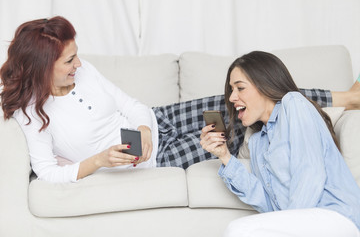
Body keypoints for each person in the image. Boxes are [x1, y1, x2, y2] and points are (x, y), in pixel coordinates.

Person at [1, 16, 359, 184]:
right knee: (235, 130)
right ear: (42, 66)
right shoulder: (30, 115)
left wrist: (144, 126)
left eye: (77, 55)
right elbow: (47, 173)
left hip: (161, 119)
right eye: (69, 61)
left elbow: (130, 103)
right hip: (155, 158)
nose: (79, 64)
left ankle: (344, 97)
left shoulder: (85, 71)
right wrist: (98, 161)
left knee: (249, 91)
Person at [200, 51, 360, 236]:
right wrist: (225, 156)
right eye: (231, 90)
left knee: (238, 229)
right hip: (302, 222)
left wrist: (289, 222)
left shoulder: (293, 104)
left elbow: (310, 173)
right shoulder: (258, 142)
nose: (231, 98)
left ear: (265, 85)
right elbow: (268, 203)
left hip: (336, 217)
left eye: (240, 88)